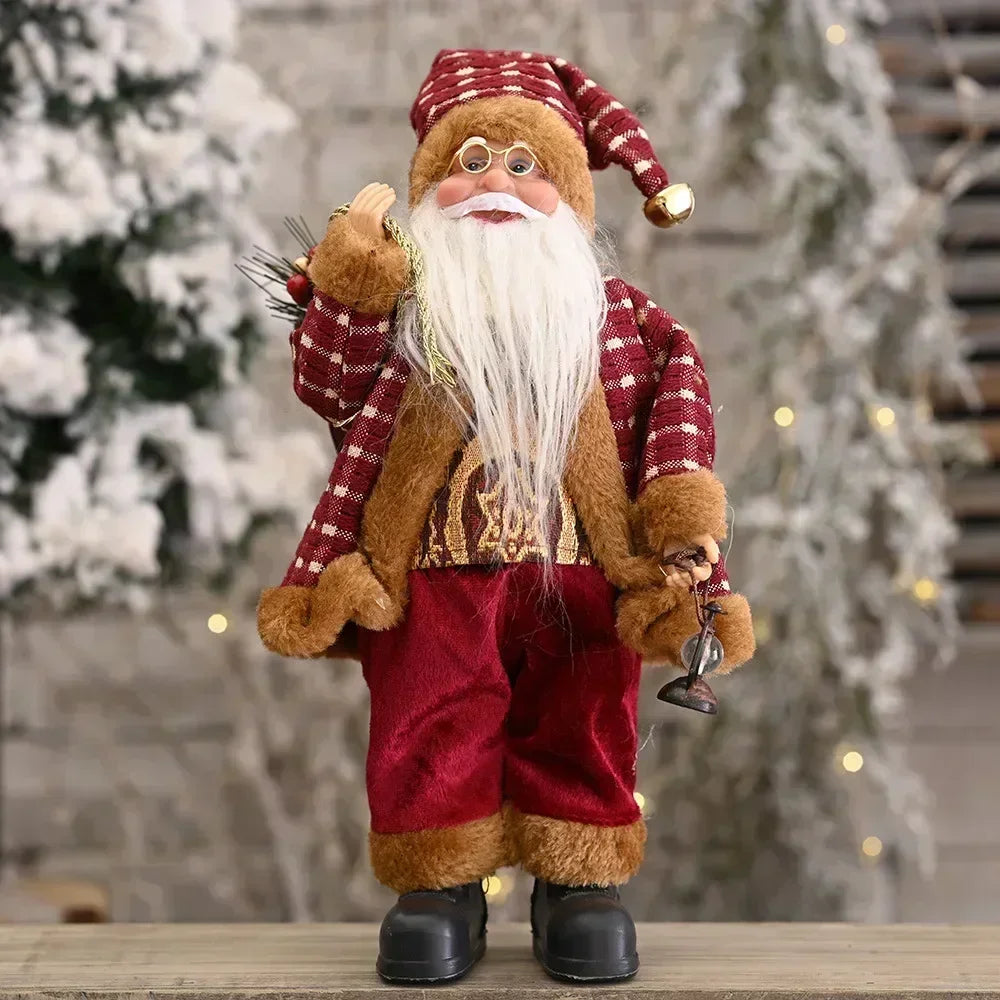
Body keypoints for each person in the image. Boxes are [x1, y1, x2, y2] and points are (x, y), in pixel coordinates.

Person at [258, 48, 755, 985]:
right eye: (471, 158)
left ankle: (577, 884)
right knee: (427, 717)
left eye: (525, 166)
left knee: (583, 713)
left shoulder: (623, 323)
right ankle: (439, 886)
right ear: (427, 188)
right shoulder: (405, 312)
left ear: (569, 195)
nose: (494, 180)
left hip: (581, 566)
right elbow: (328, 385)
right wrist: (350, 290)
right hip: (432, 571)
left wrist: (683, 517)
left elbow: (674, 422)